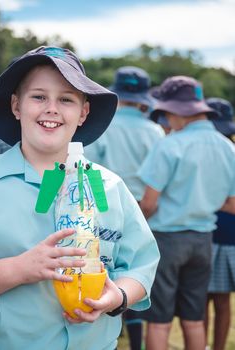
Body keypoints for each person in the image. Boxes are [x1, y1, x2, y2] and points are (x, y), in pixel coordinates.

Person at [0, 46, 160, 350]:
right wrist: (19, 268)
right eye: (39, 96)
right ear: (16, 106)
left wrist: (117, 297)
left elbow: (140, 265)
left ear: (83, 112)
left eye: (66, 99)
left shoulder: (110, 187)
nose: (52, 108)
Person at [137, 76, 235, 350]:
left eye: (167, 113)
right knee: (194, 318)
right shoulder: (228, 148)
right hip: (204, 240)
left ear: (179, 111)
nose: (167, 121)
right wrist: (201, 202)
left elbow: (149, 202)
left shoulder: (170, 145)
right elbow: (232, 203)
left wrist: (137, 226)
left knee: (158, 320)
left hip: (168, 238)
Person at [85, 66, 164, 350]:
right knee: (135, 273)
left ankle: (111, 331)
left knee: (106, 274)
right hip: (146, 211)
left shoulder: (105, 126)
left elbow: (90, 170)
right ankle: (136, 343)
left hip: (107, 212)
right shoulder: (155, 130)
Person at [85, 66, 164, 202]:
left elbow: (89, 167)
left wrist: (99, 203)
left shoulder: (101, 125)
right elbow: (159, 174)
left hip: (106, 200)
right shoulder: (155, 131)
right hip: (144, 204)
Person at [204, 97, 235, 350]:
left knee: (221, 301)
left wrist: (203, 201)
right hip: (204, 234)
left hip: (226, 235)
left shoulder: (230, 150)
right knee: (200, 301)